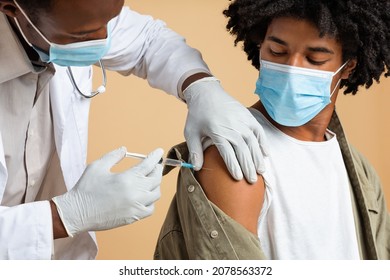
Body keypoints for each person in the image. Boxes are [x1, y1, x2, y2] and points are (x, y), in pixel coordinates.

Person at [0, 0, 268, 259]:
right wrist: (66, 216)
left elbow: (148, 40)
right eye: (82, 34)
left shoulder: (81, 13)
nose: (104, 39)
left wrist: (201, 87)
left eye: (110, 20)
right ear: (12, 9)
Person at [154, 0, 390, 260]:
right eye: (277, 52)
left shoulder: (360, 172)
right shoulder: (234, 152)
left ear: (348, 66)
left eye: (315, 59)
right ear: (260, 46)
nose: (292, 69)